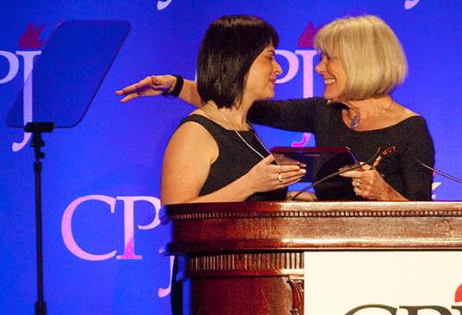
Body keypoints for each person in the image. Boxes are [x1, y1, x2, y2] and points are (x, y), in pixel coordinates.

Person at [117, 15, 434, 201]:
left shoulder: (410, 129)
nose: (319, 68)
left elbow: (426, 224)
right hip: (324, 261)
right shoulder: (323, 113)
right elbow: (236, 102)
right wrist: (176, 85)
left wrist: (384, 193)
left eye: (328, 59)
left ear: (360, 63)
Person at [156, 15, 305, 205]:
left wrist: (288, 196)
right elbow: (176, 211)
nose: (278, 69)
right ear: (238, 60)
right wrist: (250, 185)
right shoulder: (194, 133)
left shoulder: (243, 128)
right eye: (269, 57)